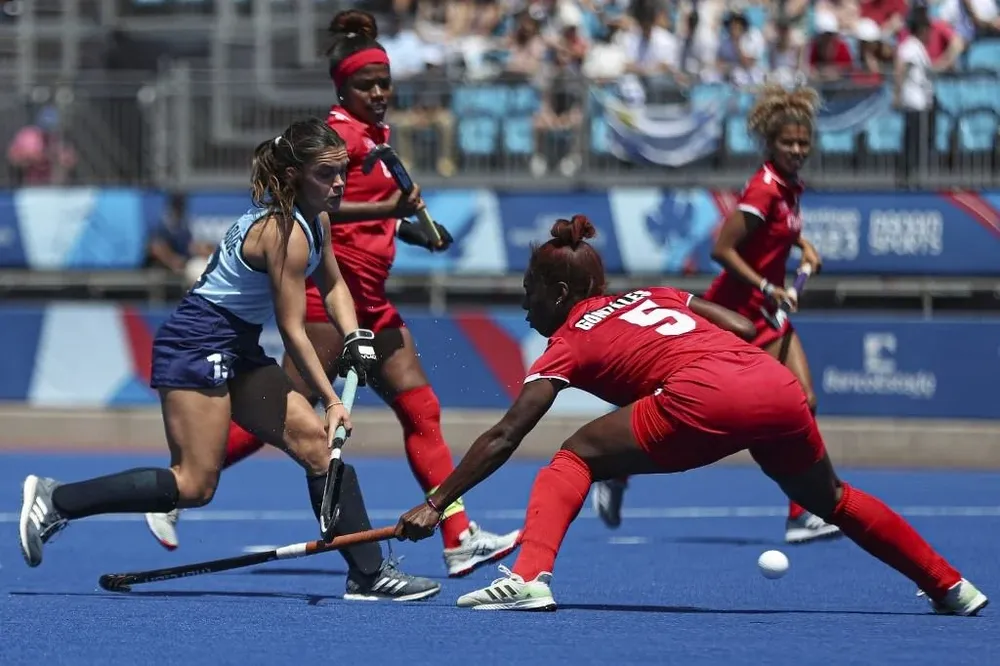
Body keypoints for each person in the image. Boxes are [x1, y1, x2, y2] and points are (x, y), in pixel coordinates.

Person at [395, 216, 988, 616]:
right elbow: (741, 325)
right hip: (772, 385)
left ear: (558, 292)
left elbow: (506, 434)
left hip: (704, 396)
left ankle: (528, 579)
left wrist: (438, 501)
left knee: (573, 457)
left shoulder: (568, 339)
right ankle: (950, 585)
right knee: (831, 498)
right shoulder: (655, 294)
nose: (524, 303)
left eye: (529, 290)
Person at [144, 9, 519, 580]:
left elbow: (364, 216)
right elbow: (322, 210)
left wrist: (411, 230)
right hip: (328, 301)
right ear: (342, 87)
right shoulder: (340, 136)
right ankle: (182, 487)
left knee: (420, 410)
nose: (379, 93)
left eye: (384, 83)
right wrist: (390, 208)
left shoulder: (377, 135)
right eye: (367, 85)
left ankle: (457, 535)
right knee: (287, 419)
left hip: (371, 298)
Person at [19, 118, 440, 602]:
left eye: (342, 171)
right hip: (195, 344)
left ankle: (368, 576)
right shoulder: (284, 233)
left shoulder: (317, 219)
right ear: (294, 176)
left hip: (237, 344)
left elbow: (333, 286)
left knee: (317, 448)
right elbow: (292, 330)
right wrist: (331, 400)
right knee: (194, 485)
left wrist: (354, 335)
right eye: (326, 174)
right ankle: (57, 499)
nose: (340, 183)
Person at [591, 84, 839, 546]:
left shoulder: (789, 188)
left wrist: (803, 247)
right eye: (788, 142)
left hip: (767, 316)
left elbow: (777, 235)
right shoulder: (763, 189)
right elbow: (723, 249)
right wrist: (768, 286)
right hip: (732, 314)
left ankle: (801, 512)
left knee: (803, 401)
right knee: (669, 398)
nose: (797, 150)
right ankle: (612, 467)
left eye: (803, 143)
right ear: (770, 144)